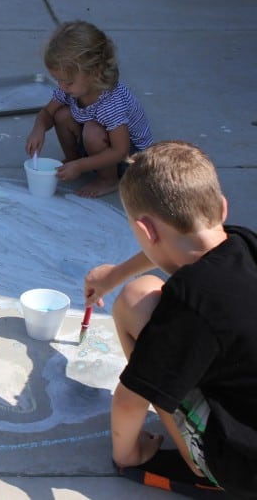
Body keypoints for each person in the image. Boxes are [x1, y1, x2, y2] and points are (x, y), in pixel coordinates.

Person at [84, 141, 257, 498]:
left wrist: (128, 454)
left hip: (243, 466)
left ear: (146, 231)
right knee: (139, 288)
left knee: (136, 299)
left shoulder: (191, 301)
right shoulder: (244, 242)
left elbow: (130, 400)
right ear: (222, 209)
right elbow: (177, 243)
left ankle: (200, 466)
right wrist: (114, 274)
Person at [25, 20, 153, 198]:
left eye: (68, 82)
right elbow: (47, 112)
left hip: (129, 161)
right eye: (58, 80)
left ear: (95, 73)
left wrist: (81, 166)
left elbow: (120, 151)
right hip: (103, 146)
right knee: (62, 115)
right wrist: (38, 129)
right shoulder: (70, 89)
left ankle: (108, 179)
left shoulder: (111, 103)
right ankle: (74, 161)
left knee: (92, 131)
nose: (61, 86)